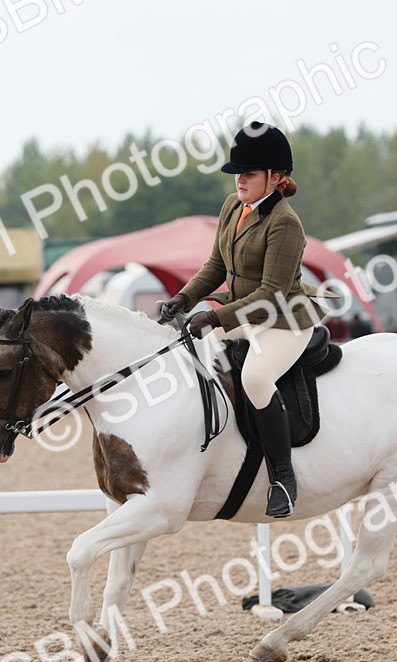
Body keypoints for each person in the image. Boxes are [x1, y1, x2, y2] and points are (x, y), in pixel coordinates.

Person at [158, 121, 329, 518]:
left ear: (276, 177)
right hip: (241, 312)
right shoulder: (233, 206)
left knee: (254, 377)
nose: (240, 181)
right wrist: (185, 297)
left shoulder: (285, 224)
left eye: (248, 174)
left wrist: (215, 317)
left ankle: (283, 478)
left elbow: (270, 294)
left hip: (282, 319)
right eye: (237, 173)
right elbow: (217, 264)